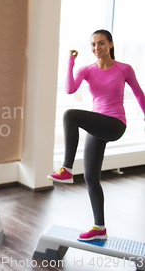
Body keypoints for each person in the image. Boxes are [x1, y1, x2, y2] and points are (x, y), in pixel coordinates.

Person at [48, 29, 145, 241]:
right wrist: (70, 63)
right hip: (98, 124)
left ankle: (66, 168)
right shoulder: (87, 70)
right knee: (92, 177)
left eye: (101, 43)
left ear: (110, 44)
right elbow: (70, 89)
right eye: (93, 44)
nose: (96, 48)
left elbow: (138, 93)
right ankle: (99, 227)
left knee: (70, 115)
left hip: (115, 124)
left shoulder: (124, 69)